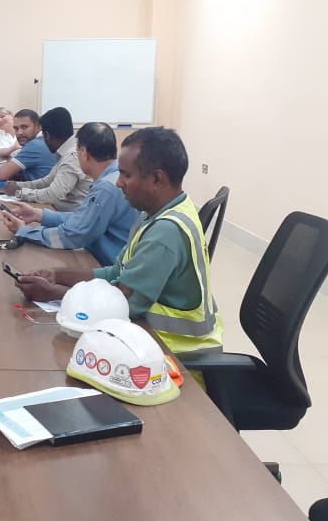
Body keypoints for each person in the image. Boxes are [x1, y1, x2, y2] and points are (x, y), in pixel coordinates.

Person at [16, 127, 223, 355]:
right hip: (149, 336)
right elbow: (117, 273)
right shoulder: (157, 213)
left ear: (157, 178)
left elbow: (121, 303)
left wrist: (52, 293)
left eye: (126, 175)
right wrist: (57, 275)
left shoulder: (165, 231)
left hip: (174, 351)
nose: (118, 183)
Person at [0, 122, 139, 265]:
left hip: (108, 266)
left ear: (84, 153)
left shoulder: (106, 188)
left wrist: (24, 231)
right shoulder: (115, 175)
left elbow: (72, 235)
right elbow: (85, 218)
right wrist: (39, 215)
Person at [3, 107, 90, 211]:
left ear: (47, 135)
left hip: (70, 215)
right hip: (59, 211)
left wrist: (20, 193)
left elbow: (53, 195)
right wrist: (19, 186)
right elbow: (48, 181)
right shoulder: (67, 151)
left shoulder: (72, 157)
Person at [0, 109, 55, 182]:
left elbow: (1, 176)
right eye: (16, 128)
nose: (19, 132)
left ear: (38, 127)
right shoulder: (43, 140)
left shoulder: (34, 145)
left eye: (24, 127)